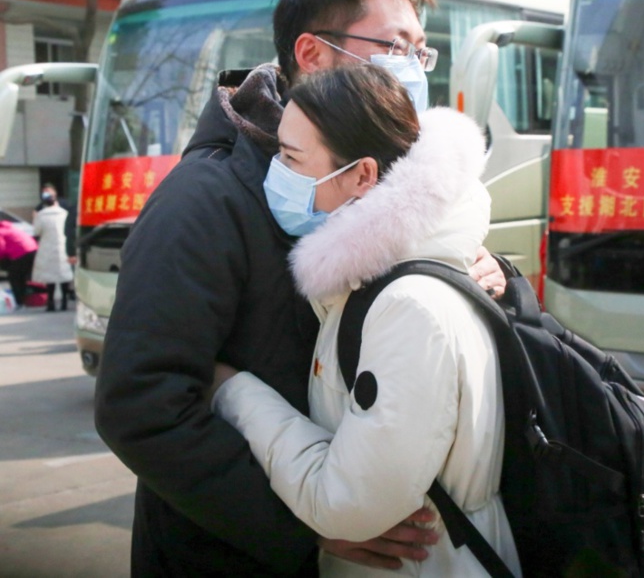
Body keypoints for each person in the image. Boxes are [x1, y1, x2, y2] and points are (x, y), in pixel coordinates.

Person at [94, 0, 506, 576]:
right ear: (311, 55)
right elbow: (140, 404)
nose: (414, 70)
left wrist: (490, 277)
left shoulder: (386, 172)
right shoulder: (205, 200)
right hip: (230, 556)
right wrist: (303, 527)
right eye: (395, 46)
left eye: (422, 52)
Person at [210, 64, 520, 577]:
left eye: (290, 158)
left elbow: (346, 503)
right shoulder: (378, 280)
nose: (275, 174)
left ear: (362, 176)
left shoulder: (408, 310)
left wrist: (233, 392)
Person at [31, 190, 73, 312]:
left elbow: (36, 231)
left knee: (50, 279)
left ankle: (51, 303)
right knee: (64, 276)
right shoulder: (64, 213)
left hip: (47, 248)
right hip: (62, 247)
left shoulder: (41, 215)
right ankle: (64, 302)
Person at [0, 220, 38, 308]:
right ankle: (26, 298)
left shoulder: (1, 232)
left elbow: (1, 248)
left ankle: (19, 302)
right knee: (23, 276)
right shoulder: (12, 228)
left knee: (14, 277)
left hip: (21, 254)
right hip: (33, 250)